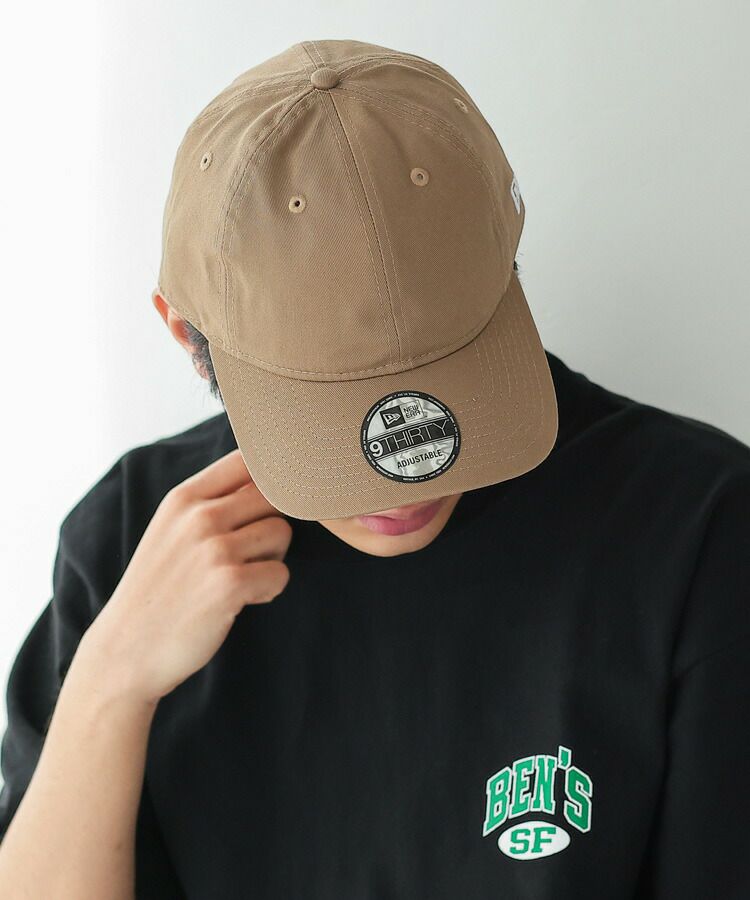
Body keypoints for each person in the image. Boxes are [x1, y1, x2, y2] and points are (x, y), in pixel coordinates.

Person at [0, 38, 748, 900]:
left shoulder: (697, 529)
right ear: (184, 332)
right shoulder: (129, 544)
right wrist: (111, 684)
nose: (408, 477)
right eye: (329, 416)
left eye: (443, 378)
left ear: (507, 259)